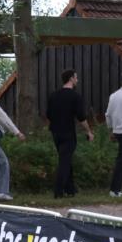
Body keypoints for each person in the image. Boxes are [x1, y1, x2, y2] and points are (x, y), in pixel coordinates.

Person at [46, 68, 94, 198]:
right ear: (71, 79)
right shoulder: (75, 96)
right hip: (68, 132)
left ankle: (70, 189)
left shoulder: (54, 95)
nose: (77, 80)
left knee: (65, 159)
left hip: (55, 132)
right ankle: (58, 191)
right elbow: (81, 117)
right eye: (76, 77)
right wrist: (89, 131)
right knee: (65, 161)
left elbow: (48, 114)